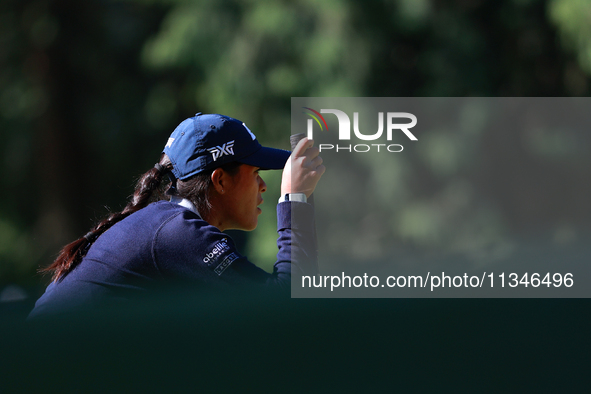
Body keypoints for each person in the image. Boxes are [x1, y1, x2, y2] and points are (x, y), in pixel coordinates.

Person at [29, 113, 325, 318]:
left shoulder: (169, 225)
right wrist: (294, 199)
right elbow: (285, 305)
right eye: (256, 172)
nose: (263, 186)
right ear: (219, 180)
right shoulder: (177, 232)